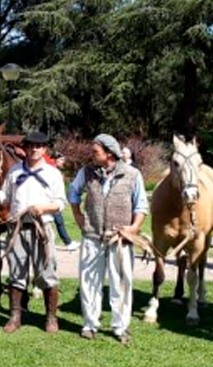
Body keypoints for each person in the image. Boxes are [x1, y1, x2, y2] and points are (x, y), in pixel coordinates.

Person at [69, 134, 148, 345]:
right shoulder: (86, 172)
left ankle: (120, 327)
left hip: (119, 239)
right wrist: (78, 216)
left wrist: (133, 228)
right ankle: (90, 324)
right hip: (92, 236)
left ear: (109, 154)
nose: (91, 155)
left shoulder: (132, 174)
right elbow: (73, 192)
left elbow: (141, 205)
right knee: (89, 282)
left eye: (96, 151)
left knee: (121, 283)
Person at [0, 131, 66, 334]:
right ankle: (15, 316)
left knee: (47, 272)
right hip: (17, 229)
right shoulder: (15, 172)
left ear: (44, 149)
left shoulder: (53, 173)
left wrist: (43, 208)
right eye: (31, 146)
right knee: (16, 273)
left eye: (39, 146)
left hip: (42, 229)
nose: (34, 150)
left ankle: (51, 318)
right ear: (25, 149)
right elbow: (5, 197)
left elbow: (60, 203)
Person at [50, 154, 79, 250]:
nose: (63, 162)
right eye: (61, 160)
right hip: (51, 201)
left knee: (58, 221)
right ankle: (68, 242)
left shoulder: (55, 170)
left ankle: (66, 242)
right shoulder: (51, 169)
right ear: (56, 160)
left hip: (53, 201)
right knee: (59, 221)